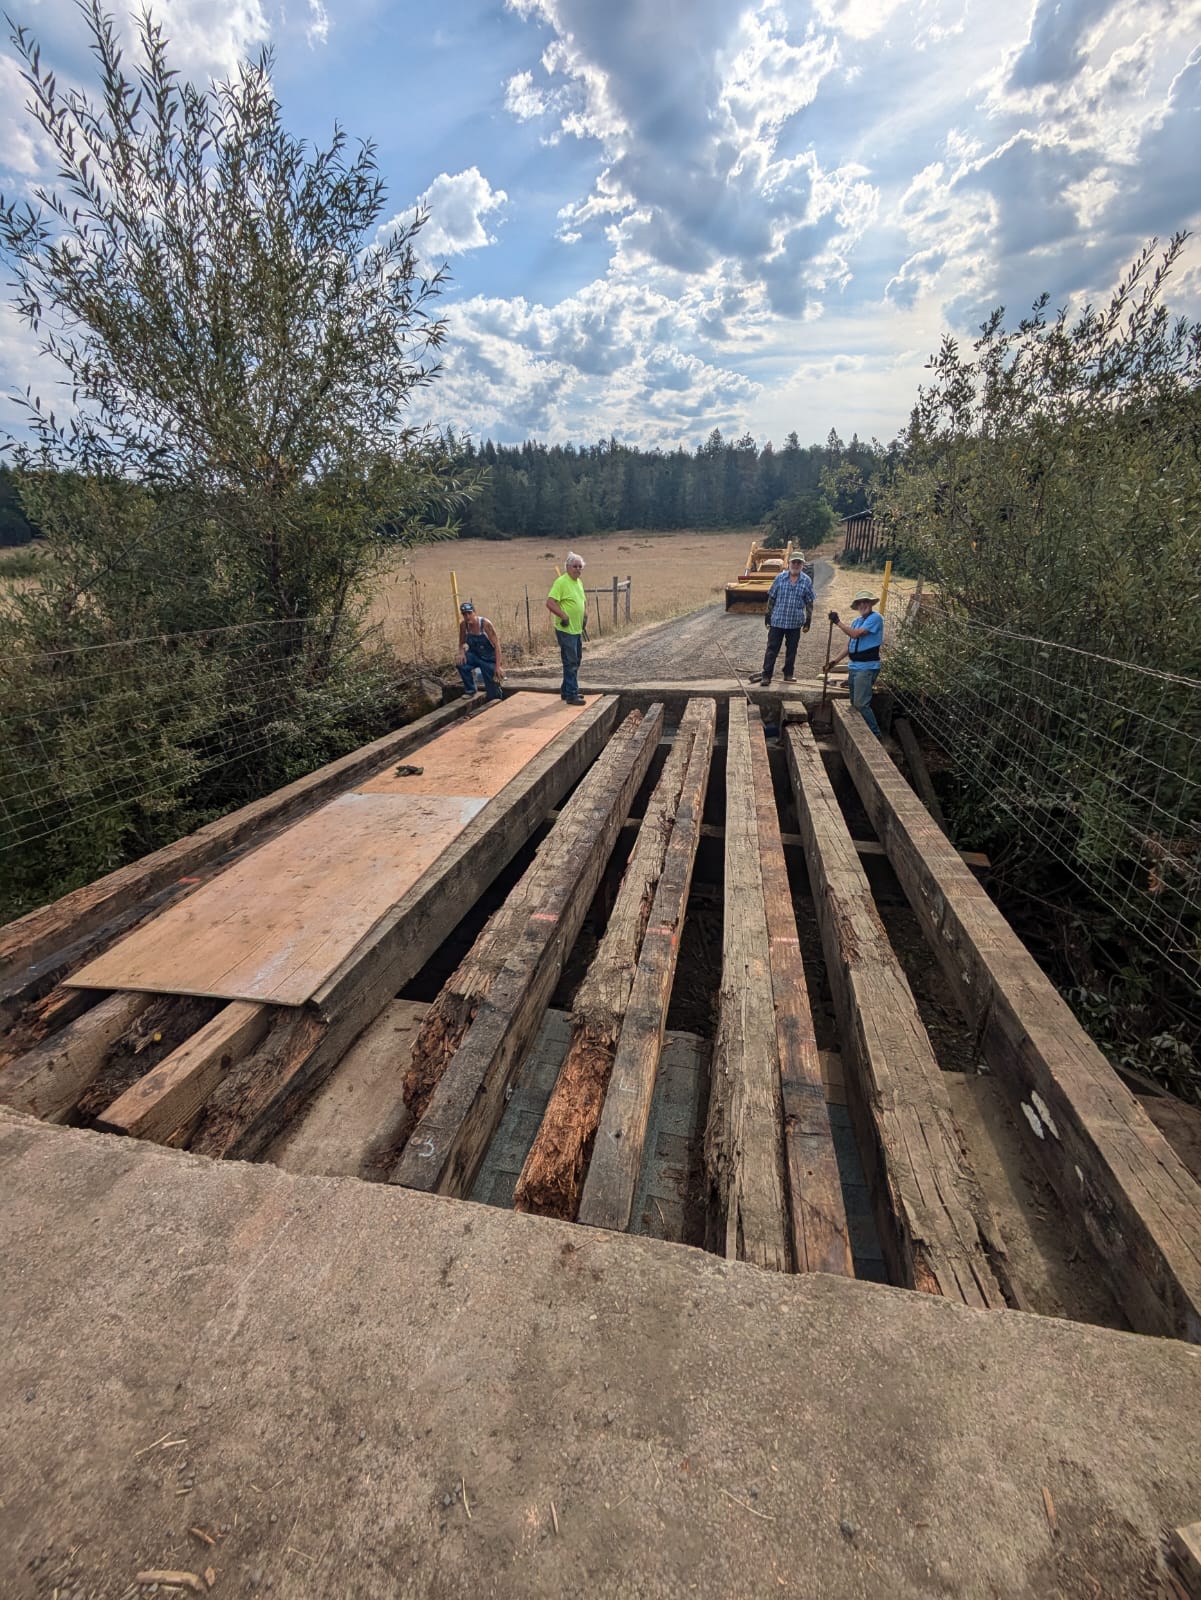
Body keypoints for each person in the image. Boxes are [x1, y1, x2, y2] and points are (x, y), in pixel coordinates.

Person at [750, 552, 814, 686]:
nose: (796, 565)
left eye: (799, 563)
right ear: (789, 563)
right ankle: (766, 675)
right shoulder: (780, 578)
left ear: (802, 565)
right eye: (794, 562)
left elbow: (809, 602)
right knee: (772, 649)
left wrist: (808, 620)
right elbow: (772, 598)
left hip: (795, 622)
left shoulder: (806, 581)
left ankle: (788, 674)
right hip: (778, 621)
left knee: (792, 650)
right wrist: (768, 616)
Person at [827, 588, 884, 737]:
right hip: (854, 666)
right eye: (860, 603)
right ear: (857, 605)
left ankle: (875, 733)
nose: (863, 605)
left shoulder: (875, 618)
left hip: (867, 667)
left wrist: (838, 622)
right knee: (854, 702)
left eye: (866, 602)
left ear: (871, 604)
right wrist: (834, 661)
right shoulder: (857, 621)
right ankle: (861, 731)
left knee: (860, 704)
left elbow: (856, 634)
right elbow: (850, 644)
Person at [546, 551, 587, 705]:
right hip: (566, 629)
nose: (578, 569)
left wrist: (585, 615)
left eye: (580, 566)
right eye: (575, 566)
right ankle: (571, 694)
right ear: (568, 567)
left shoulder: (579, 582)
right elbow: (550, 602)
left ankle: (567, 690)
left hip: (576, 629)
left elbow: (582, 601)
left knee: (576, 660)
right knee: (571, 661)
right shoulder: (561, 582)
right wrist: (563, 615)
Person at [456, 601, 504, 701]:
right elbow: (461, 641)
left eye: (469, 613)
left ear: (475, 612)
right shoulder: (464, 625)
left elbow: (497, 646)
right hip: (474, 655)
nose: (467, 616)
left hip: (488, 658)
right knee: (461, 664)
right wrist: (461, 653)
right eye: (465, 614)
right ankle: (470, 690)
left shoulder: (485, 624)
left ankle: (496, 700)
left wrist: (498, 666)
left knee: (492, 689)